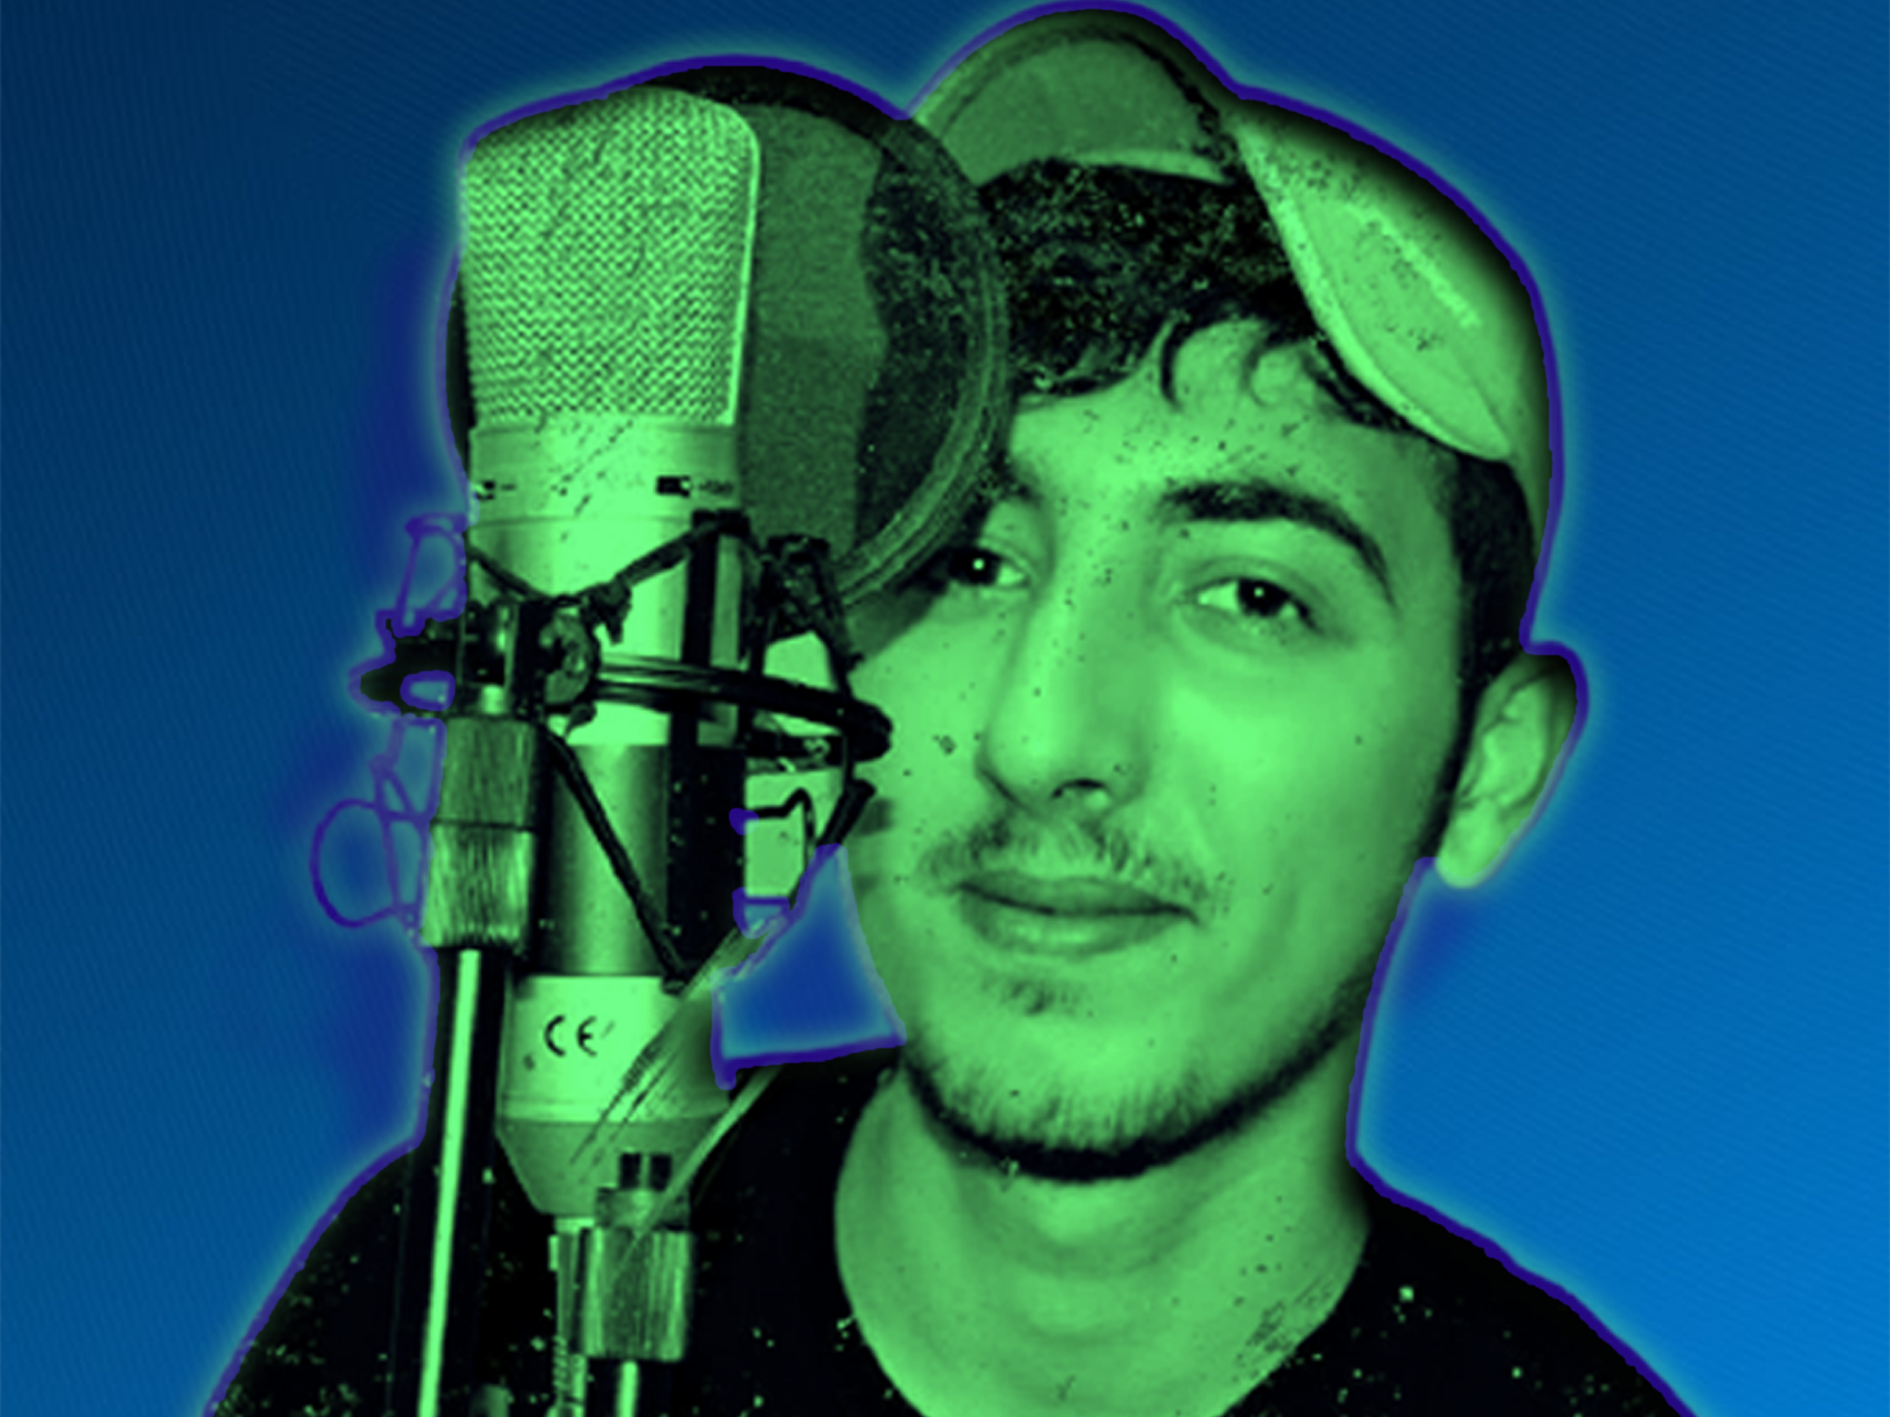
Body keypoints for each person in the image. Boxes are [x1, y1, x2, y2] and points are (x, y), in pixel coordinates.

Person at [214, 11, 1682, 1416]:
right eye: (967, 562)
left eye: (1250, 596)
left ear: (1488, 770)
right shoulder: (444, 1290)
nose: (1042, 744)